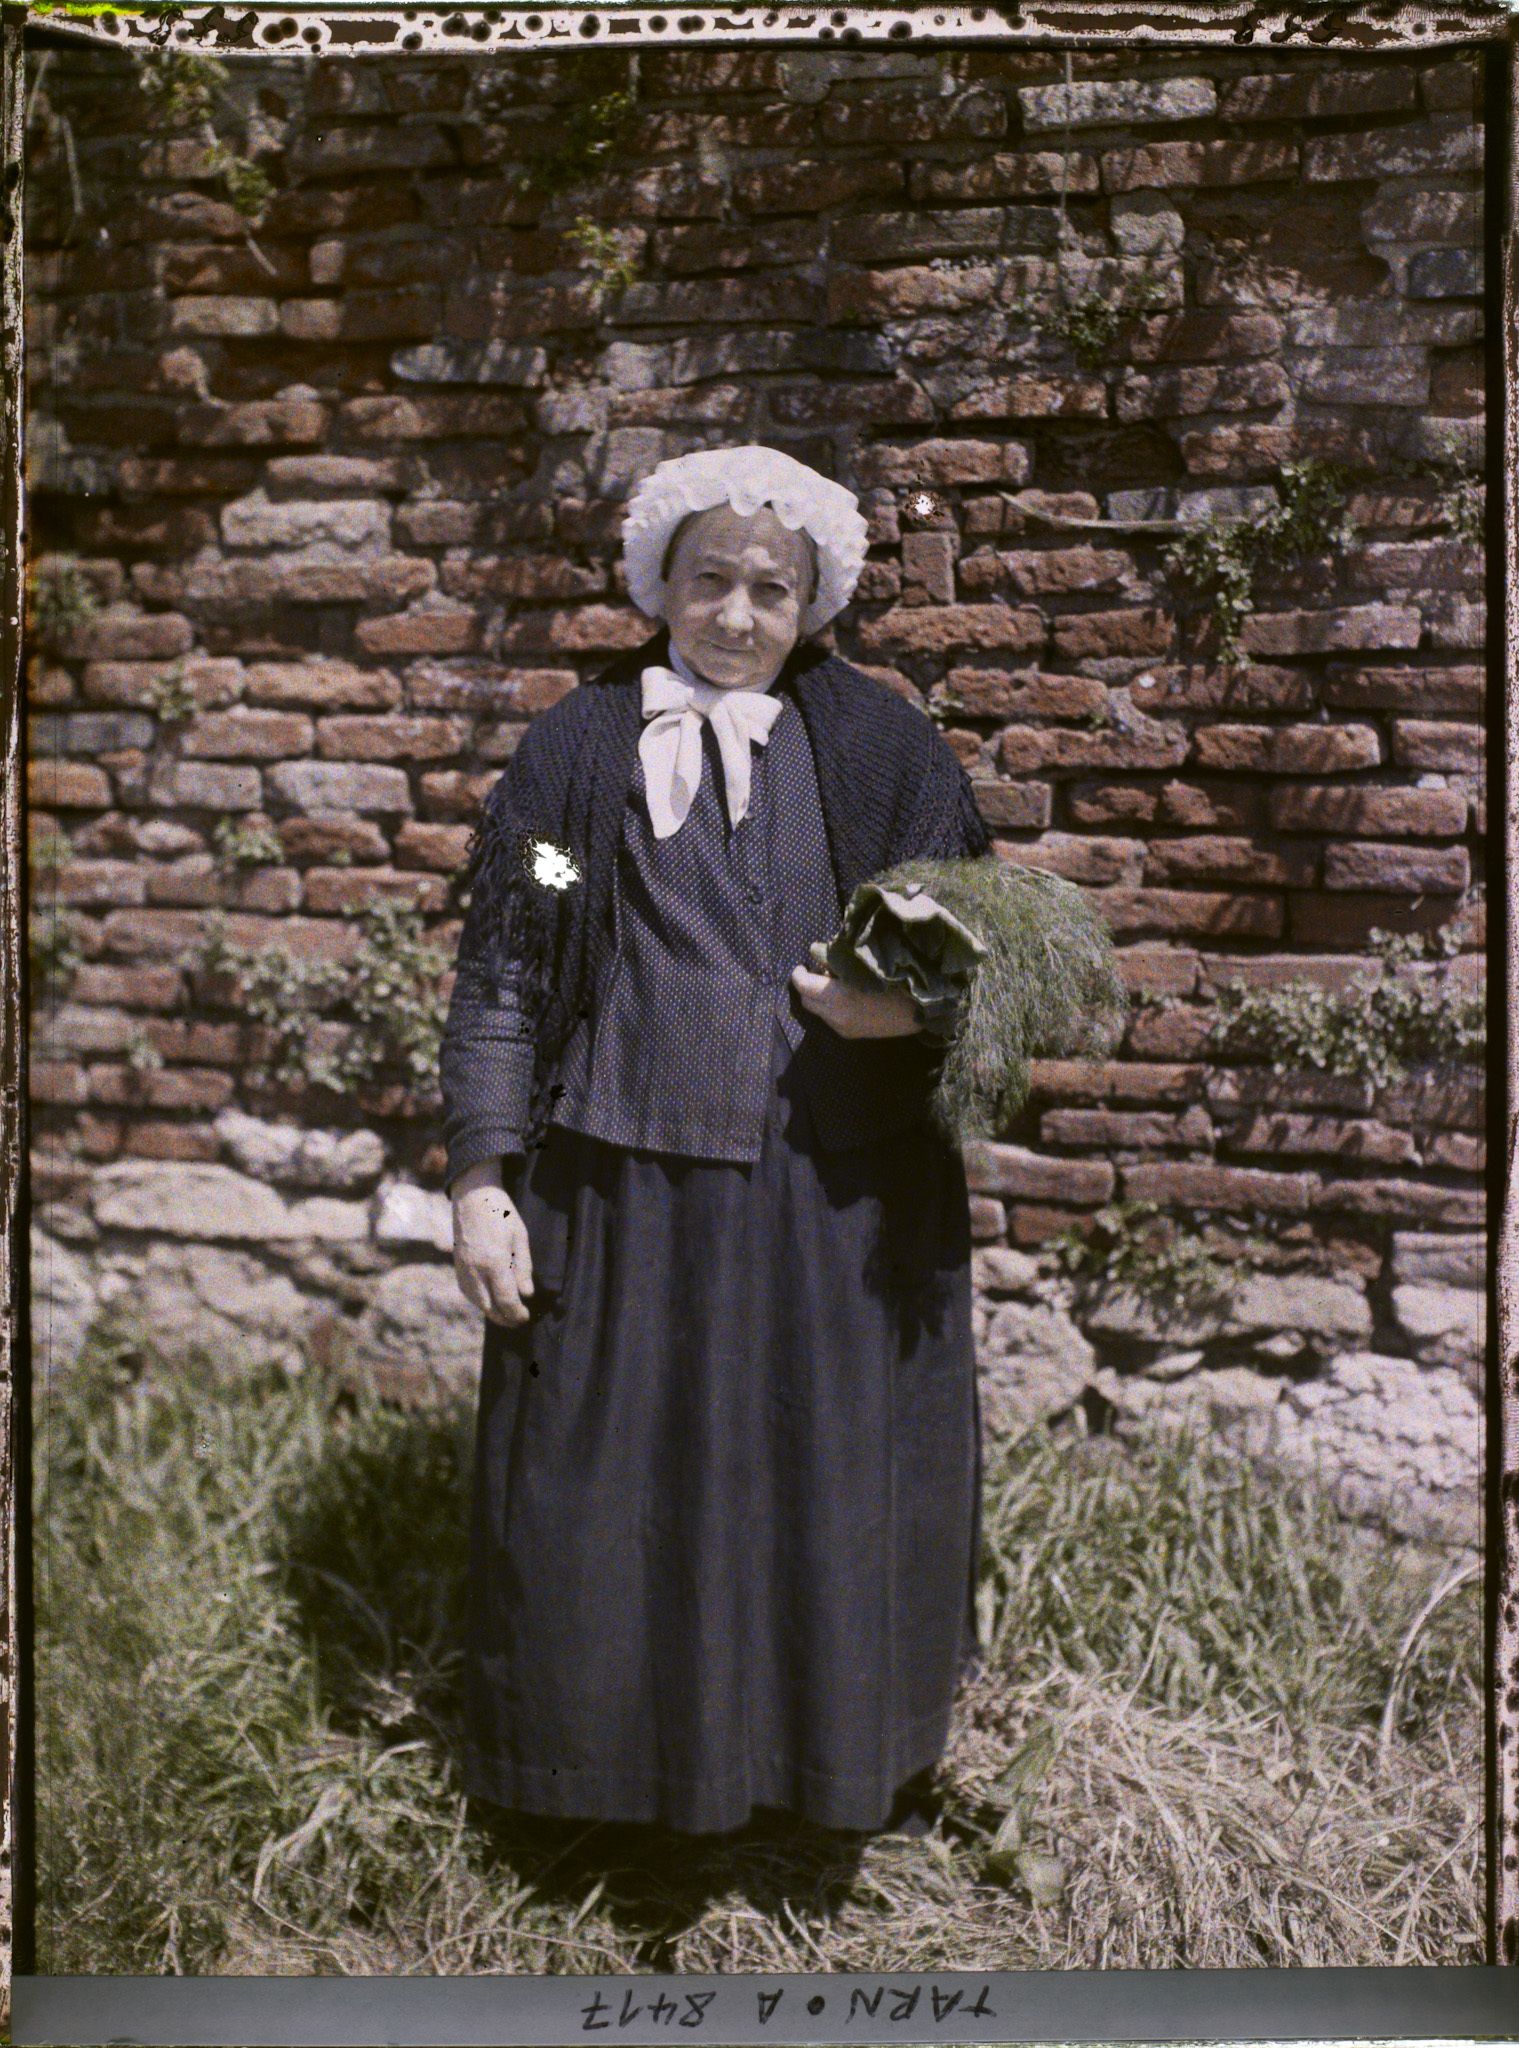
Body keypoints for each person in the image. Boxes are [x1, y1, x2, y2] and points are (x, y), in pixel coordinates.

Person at [440, 444, 991, 1839]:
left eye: (770, 588)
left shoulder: (874, 754)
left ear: (814, 601)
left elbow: (988, 960)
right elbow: (515, 946)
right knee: (610, 1491)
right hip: (617, 1191)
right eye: (709, 582)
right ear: (657, 584)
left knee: (814, 1490)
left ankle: (818, 1778)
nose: (735, 617)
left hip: (828, 1201)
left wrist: (899, 1010)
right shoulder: (578, 758)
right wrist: (481, 1177)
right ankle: (601, 1793)